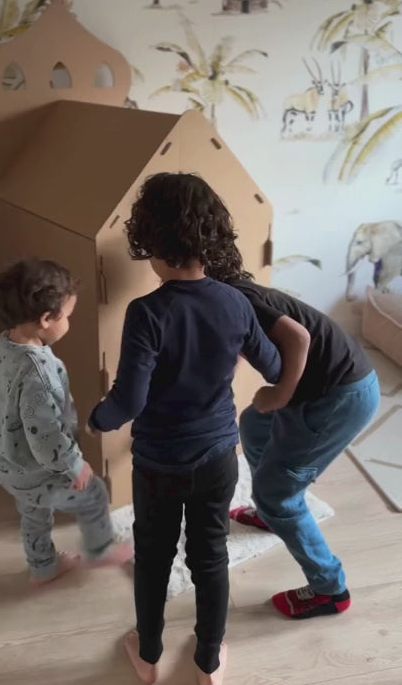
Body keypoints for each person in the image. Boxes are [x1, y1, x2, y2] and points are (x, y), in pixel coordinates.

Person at [87, 173, 285, 685]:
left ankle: (149, 654)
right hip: (219, 455)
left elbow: (128, 401)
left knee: (153, 556)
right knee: (210, 553)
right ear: (211, 239)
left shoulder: (146, 312)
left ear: (152, 241)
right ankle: (209, 662)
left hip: (157, 462)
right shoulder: (236, 303)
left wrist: (95, 419)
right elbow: (275, 366)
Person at [207, 243, 380, 620]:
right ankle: (271, 514)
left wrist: (280, 395)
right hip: (329, 386)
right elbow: (237, 346)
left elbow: (298, 338)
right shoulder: (234, 295)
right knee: (254, 424)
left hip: (339, 397)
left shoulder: (235, 298)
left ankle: (329, 589)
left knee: (277, 492)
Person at [0, 259, 131, 585]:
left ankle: (43, 565)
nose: (69, 322)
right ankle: (100, 550)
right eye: (68, 316)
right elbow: (45, 438)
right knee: (95, 494)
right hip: (37, 469)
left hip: (5, 461)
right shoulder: (38, 372)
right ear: (46, 319)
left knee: (33, 512)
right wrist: (75, 466)